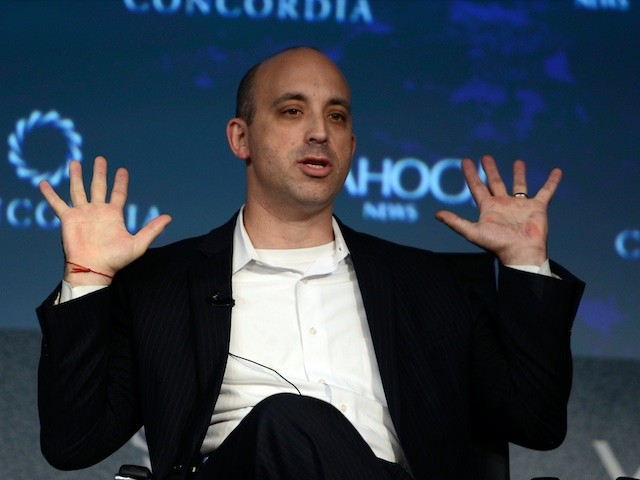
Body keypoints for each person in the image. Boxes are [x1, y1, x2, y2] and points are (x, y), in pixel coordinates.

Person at [36, 47, 584, 480]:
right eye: (292, 110)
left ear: (350, 145)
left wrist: (524, 263)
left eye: (336, 116)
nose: (319, 131)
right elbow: (73, 444)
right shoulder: (161, 285)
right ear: (241, 138)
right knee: (285, 420)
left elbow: (535, 422)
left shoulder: (428, 284)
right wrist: (87, 278)